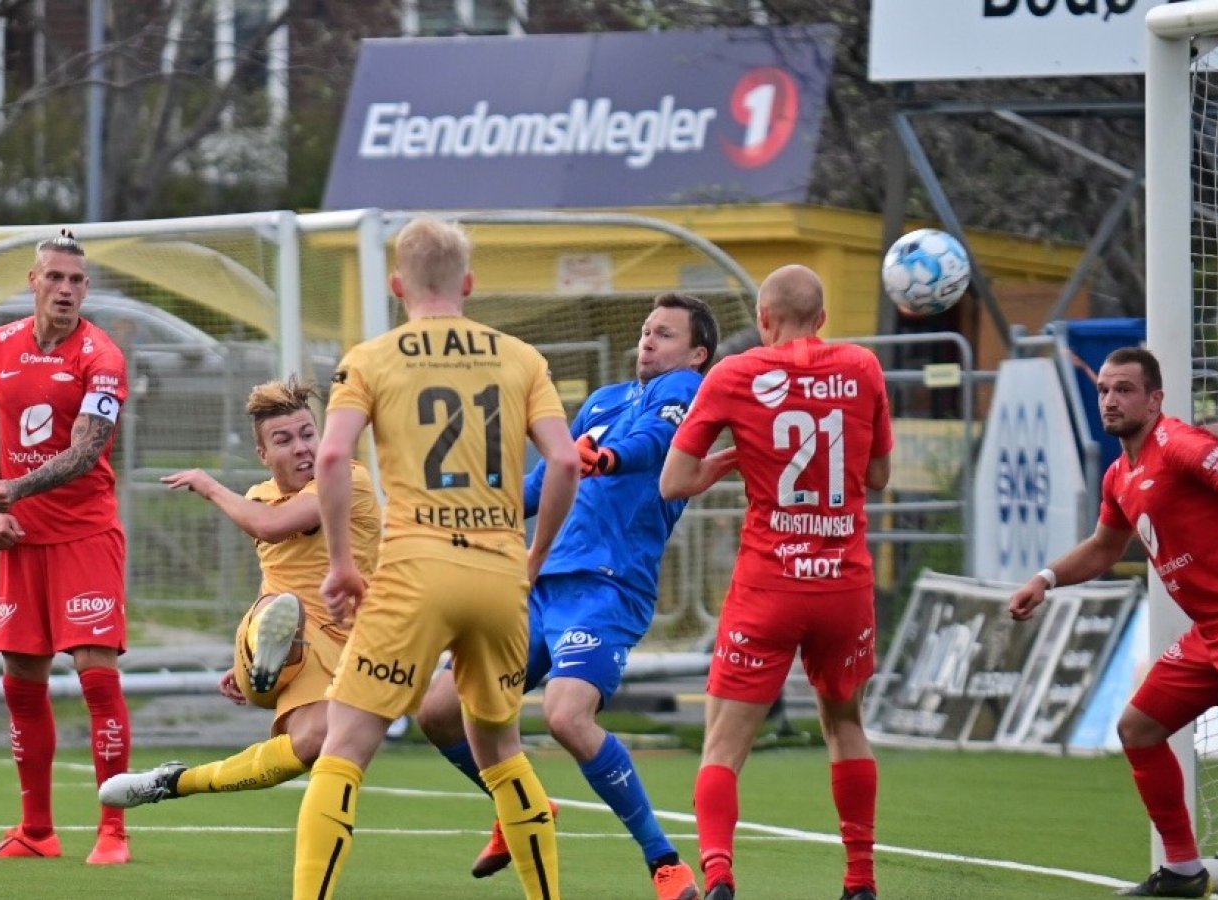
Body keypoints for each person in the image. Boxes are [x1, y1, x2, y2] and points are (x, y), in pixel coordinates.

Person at [295, 215, 579, 900]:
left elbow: (332, 455)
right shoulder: (520, 358)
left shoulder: (370, 358)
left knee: (345, 747)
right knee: (503, 751)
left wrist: (340, 563)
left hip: (416, 568)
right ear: (469, 285)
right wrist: (534, 554)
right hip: (499, 572)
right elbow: (566, 460)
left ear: (398, 285)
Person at [1008, 347, 1218, 900]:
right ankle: (1185, 870)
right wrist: (1044, 578)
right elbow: (1102, 549)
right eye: (1104, 390)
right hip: (1210, 631)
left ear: (1155, 398)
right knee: (1137, 729)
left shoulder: (1181, 446)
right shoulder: (1119, 474)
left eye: (1125, 390)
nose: (1111, 400)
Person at [415, 292, 718, 900]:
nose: (647, 341)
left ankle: (664, 862)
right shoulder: (605, 401)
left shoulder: (688, 394)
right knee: (438, 710)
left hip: (606, 589)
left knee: (566, 716)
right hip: (539, 584)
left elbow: (653, 449)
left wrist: (605, 457)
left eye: (663, 333)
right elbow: (546, 479)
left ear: (697, 352)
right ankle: (522, 803)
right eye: (644, 330)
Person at [660, 265, 893, 900]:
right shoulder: (864, 368)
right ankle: (860, 879)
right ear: (822, 319)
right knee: (845, 724)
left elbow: (674, 482)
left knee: (724, 742)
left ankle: (718, 873)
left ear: (763, 320)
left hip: (768, 584)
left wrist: (716, 471)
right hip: (843, 584)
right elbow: (877, 476)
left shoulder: (735, 374)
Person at [96, 377, 381, 809]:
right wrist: (248, 653)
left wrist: (208, 485)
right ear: (263, 455)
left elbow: (269, 527)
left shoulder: (347, 477)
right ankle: (266, 651)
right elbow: (278, 579)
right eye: (283, 440)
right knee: (279, 607)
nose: (303, 447)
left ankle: (173, 782)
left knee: (312, 744)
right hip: (299, 639)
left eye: (308, 433)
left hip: (351, 644)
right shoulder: (258, 498)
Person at [0, 230, 136, 865]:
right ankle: (36, 831)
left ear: (85, 290)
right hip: (19, 539)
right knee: (21, 683)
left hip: (85, 535)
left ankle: (113, 830)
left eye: (77, 281)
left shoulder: (103, 356)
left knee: (96, 679)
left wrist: (14, 489)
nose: (66, 289)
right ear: (32, 283)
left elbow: (86, 451)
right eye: (55, 278)